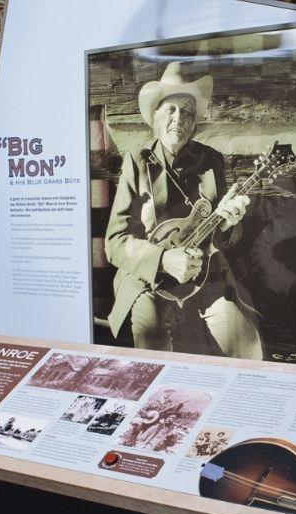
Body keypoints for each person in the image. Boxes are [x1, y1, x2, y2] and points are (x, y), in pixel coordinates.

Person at [104, 61, 262, 359]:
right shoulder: (136, 162)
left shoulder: (211, 161)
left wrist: (229, 225)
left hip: (206, 276)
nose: (179, 118)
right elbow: (115, 242)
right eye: (171, 110)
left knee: (242, 343)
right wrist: (163, 259)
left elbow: (225, 235)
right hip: (149, 278)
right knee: (151, 338)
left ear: (194, 122)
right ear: (155, 117)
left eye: (187, 112)